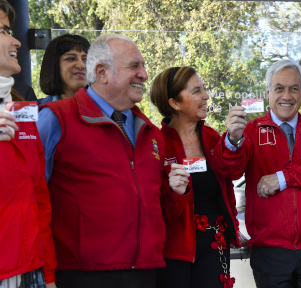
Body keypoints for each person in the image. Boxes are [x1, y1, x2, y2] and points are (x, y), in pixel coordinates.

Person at [36, 34, 188, 288]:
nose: (144, 74)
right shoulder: (55, 120)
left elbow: (157, 208)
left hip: (146, 274)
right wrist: (46, 274)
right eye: (134, 66)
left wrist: (177, 193)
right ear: (102, 72)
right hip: (81, 276)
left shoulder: (150, 132)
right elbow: (30, 201)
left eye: (143, 65)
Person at [215, 59, 301, 288]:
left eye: (294, 89)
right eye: (279, 88)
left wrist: (282, 178)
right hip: (269, 251)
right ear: (268, 92)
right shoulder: (249, 131)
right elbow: (230, 171)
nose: (287, 95)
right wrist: (232, 140)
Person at [149, 66, 247, 288]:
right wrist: (176, 193)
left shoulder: (212, 136)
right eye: (196, 91)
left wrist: (233, 139)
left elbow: (230, 179)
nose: (205, 96)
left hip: (215, 244)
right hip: (174, 250)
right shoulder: (156, 144)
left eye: (204, 89)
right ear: (174, 103)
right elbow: (157, 211)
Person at [0, 1, 56, 287]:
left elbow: (39, 200)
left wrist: (48, 276)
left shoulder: (23, 110)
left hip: (29, 270)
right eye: (3, 30)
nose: (16, 40)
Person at [38, 34, 90, 105]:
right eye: (71, 58)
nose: (81, 65)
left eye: (85, 59)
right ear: (53, 65)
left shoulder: (107, 109)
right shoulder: (36, 112)